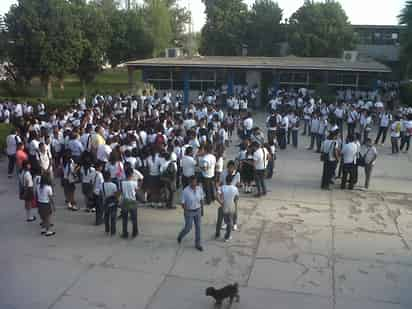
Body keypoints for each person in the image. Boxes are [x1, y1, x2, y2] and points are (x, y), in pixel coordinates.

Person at [177, 176, 204, 251]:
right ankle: (180, 236)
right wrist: (186, 211)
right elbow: (182, 203)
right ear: (189, 182)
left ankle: (198, 244)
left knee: (198, 227)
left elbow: (201, 199)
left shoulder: (199, 189)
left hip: (197, 210)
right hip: (189, 211)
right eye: (192, 182)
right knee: (188, 228)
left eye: (195, 182)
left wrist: (202, 210)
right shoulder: (185, 191)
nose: (194, 183)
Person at [215, 175, 239, 242]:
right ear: (232, 181)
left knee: (219, 220)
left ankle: (217, 234)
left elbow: (216, 196)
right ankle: (227, 237)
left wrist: (221, 203)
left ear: (225, 180)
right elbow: (236, 198)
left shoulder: (222, 187)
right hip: (231, 206)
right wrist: (235, 207)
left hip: (223, 206)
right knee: (230, 222)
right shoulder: (235, 188)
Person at [119, 167, 139, 238]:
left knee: (125, 219)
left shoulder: (122, 183)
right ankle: (135, 232)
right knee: (134, 218)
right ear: (132, 174)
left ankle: (125, 233)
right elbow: (136, 191)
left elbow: (121, 192)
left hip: (125, 201)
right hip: (133, 201)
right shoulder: (134, 183)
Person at [101, 171, 119, 236]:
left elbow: (101, 194)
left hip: (105, 202)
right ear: (110, 177)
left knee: (106, 216)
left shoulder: (101, 185)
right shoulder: (113, 185)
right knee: (113, 217)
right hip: (113, 203)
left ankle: (107, 230)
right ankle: (113, 231)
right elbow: (116, 194)